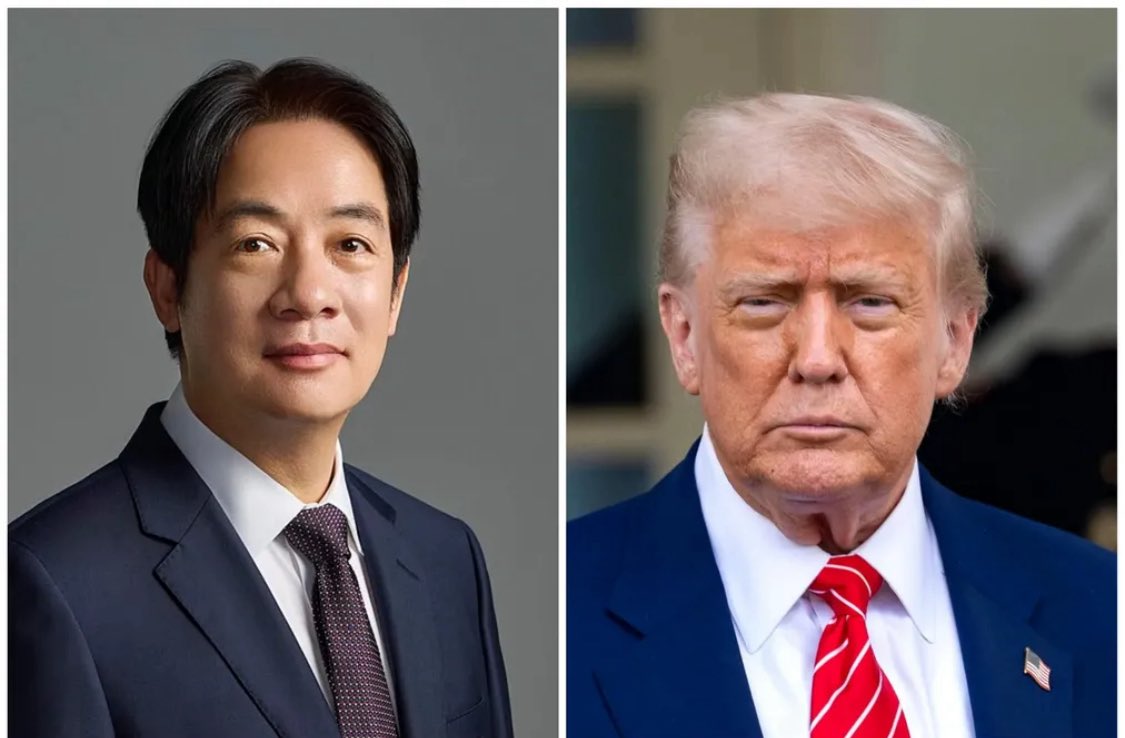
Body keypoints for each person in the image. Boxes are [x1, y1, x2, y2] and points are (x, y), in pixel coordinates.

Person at [567, 93, 1115, 738]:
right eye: (766, 302)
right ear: (684, 336)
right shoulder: (552, 610)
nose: (819, 358)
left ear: (956, 341)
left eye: (871, 302)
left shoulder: (1099, 609)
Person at [11, 58, 513, 738]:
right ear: (167, 288)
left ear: (395, 291)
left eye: (350, 244)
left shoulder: (445, 558)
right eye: (256, 243)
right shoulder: (53, 581)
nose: (308, 293)